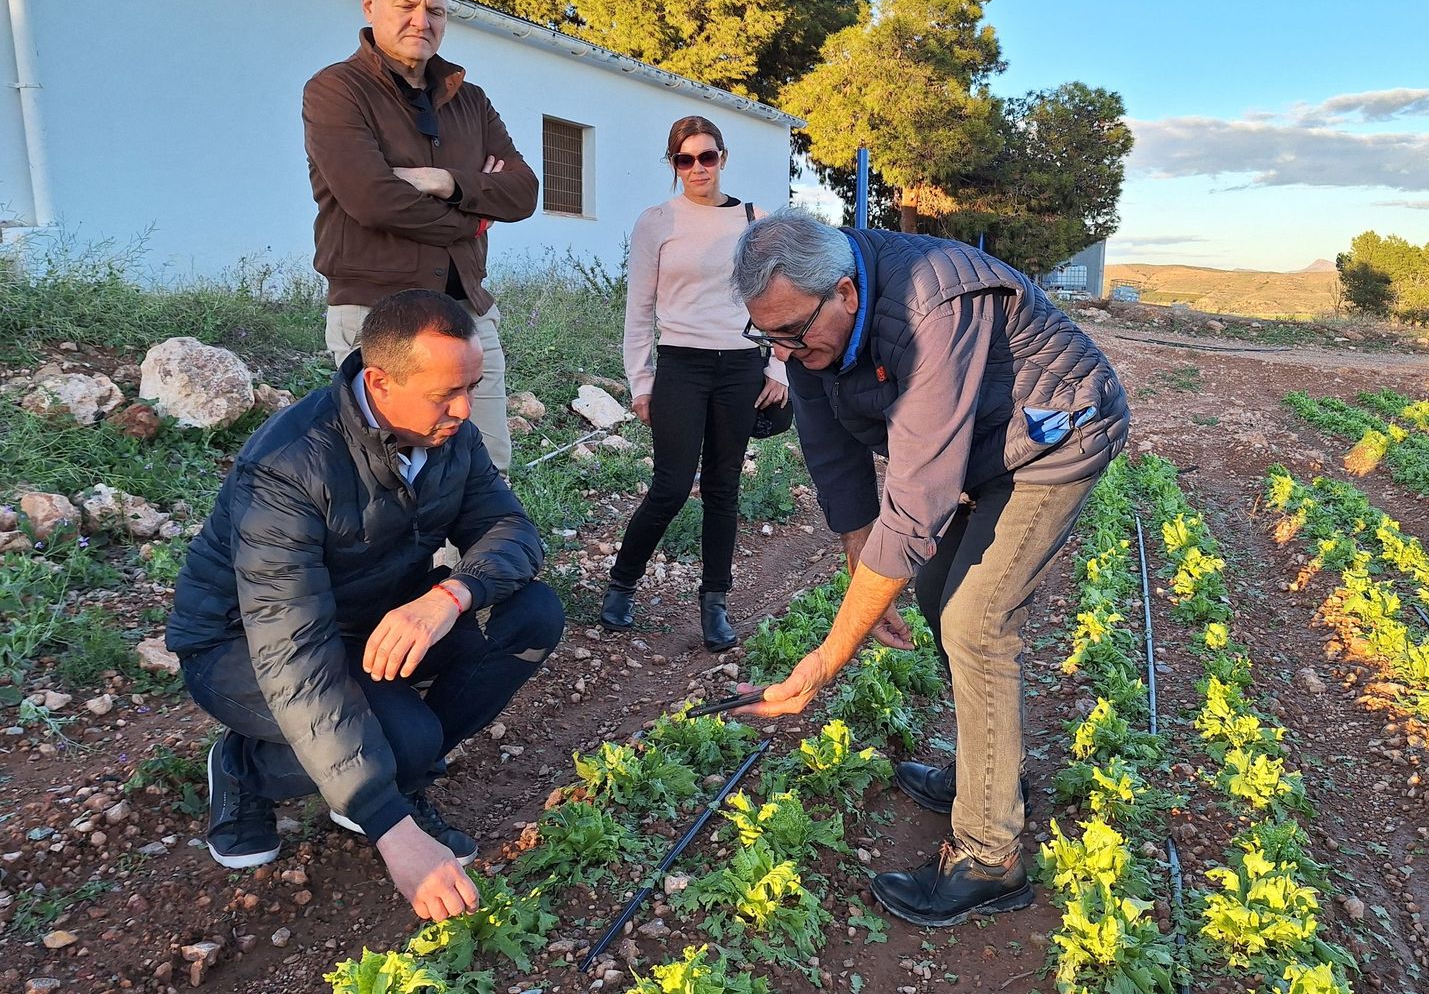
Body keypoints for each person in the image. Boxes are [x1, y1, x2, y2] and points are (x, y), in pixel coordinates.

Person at [729, 209, 1129, 927]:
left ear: (846, 292)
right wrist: (863, 570)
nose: (784, 352)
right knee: (940, 595)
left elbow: (918, 502)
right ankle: (991, 777)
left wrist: (825, 662)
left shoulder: (931, 308)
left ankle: (989, 857)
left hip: (1055, 434)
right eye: (769, 337)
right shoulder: (812, 333)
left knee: (977, 623)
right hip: (984, 445)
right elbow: (834, 455)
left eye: (792, 332)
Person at [166, 290, 564, 923]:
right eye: (446, 394)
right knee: (405, 737)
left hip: (364, 621)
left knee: (532, 614)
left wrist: (448, 596)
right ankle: (244, 767)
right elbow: (294, 652)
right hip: (241, 644)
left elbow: (510, 531)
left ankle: (396, 771)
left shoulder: (450, 436)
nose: (465, 410)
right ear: (380, 382)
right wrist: (391, 831)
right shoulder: (289, 466)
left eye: (472, 387)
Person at [303, 0, 540, 475]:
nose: (421, 21)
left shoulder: (471, 101)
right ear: (369, 5)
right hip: (376, 318)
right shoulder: (336, 91)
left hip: (466, 315)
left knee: (485, 470)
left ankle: (471, 539)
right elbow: (372, 199)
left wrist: (447, 182)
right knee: (385, 475)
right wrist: (475, 216)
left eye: (435, 10)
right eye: (406, 5)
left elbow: (524, 192)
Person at [601, 116, 789, 651]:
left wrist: (778, 367)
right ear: (674, 165)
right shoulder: (657, 221)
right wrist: (641, 381)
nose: (698, 168)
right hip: (681, 365)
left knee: (723, 489)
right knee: (670, 484)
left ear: (723, 157)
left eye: (707, 156)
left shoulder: (756, 221)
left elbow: (781, 298)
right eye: (685, 160)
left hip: (741, 366)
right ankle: (621, 585)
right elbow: (639, 310)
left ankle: (715, 605)